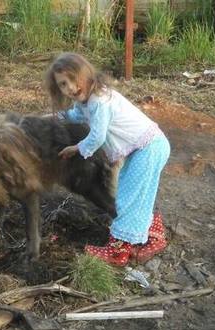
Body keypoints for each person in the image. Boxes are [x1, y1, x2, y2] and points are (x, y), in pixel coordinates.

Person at [44, 52, 170, 266]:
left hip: (148, 148)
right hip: (144, 147)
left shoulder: (99, 101)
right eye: (63, 85)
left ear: (85, 74)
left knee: (127, 199)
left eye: (72, 80)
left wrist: (76, 148)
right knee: (135, 193)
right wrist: (55, 117)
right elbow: (76, 116)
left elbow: (97, 136)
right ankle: (153, 231)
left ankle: (118, 252)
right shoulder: (86, 102)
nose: (70, 89)